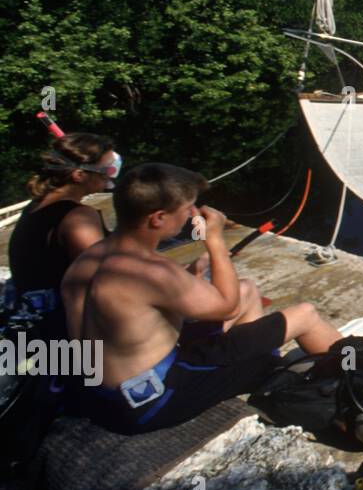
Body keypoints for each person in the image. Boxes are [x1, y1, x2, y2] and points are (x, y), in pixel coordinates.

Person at [60, 162, 341, 433]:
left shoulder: (88, 259)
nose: (192, 214)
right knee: (304, 315)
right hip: (149, 402)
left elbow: (137, 312)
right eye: (186, 208)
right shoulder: (153, 272)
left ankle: (256, 365)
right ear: (158, 217)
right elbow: (226, 308)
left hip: (100, 394)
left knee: (246, 289)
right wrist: (215, 240)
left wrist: (190, 274)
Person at [5, 133, 119, 341]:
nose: (110, 176)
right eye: (107, 170)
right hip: (66, 336)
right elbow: (103, 280)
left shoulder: (35, 207)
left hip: (36, 330)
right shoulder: (78, 217)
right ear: (79, 175)